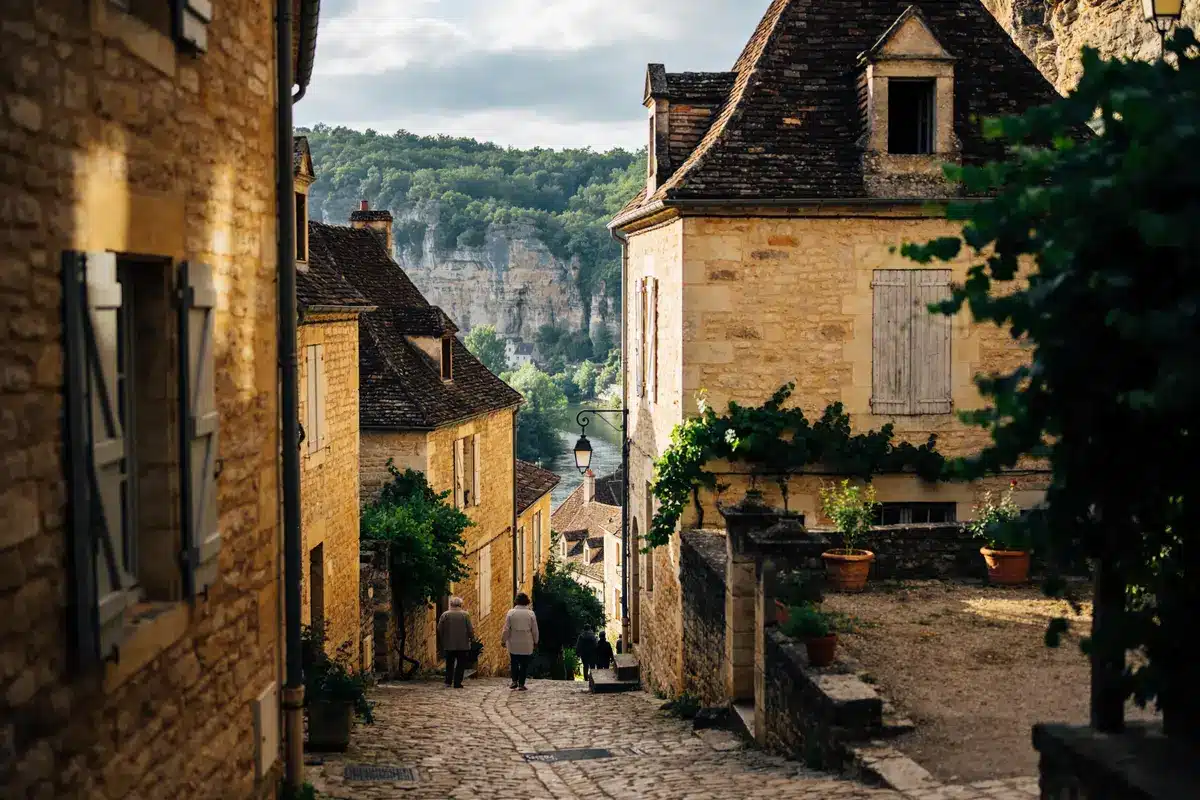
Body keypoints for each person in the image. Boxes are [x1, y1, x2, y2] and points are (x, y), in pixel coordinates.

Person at [501, 592, 539, 690]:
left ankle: (514, 681)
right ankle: (521, 684)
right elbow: (534, 630)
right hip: (526, 642)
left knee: (514, 662)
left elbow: (506, 629)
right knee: (524, 664)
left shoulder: (511, 613)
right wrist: (536, 641)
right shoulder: (530, 613)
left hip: (513, 641)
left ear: (516, 601)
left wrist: (503, 640)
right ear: (527, 602)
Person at [437, 596, 474, 689]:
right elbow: (470, 629)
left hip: (449, 643)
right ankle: (457, 683)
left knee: (449, 663)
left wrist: (443, 638)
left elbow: (439, 628)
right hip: (463, 644)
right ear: (460, 605)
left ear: (451, 604)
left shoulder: (445, 614)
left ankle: (448, 682)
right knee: (461, 664)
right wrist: (472, 638)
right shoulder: (465, 615)